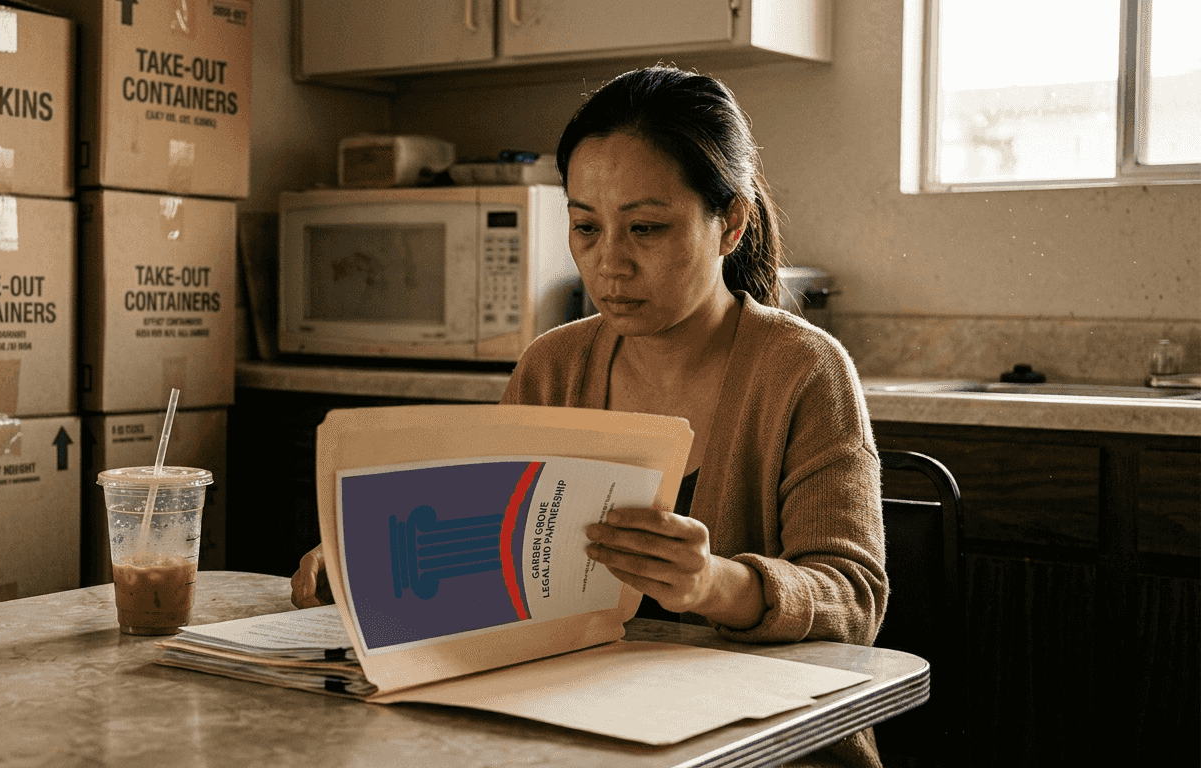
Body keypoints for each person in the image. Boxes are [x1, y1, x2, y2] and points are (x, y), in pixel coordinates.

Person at [293, 64, 886, 767]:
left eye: (646, 228)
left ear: (730, 223)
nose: (609, 264)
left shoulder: (804, 370)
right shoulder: (553, 367)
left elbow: (854, 601)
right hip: (579, 735)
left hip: (766, 749)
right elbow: (488, 567)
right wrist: (368, 569)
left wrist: (715, 584)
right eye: (585, 227)